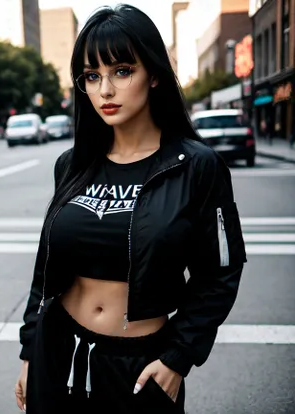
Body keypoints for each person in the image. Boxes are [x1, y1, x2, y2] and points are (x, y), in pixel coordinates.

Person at [13, 5, 246, 414]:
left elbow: (220, 272)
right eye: (91, 76)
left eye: (121, 71)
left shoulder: (196, 166)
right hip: (58, 354)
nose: (104, 90)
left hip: (140, 367)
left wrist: (178, 356)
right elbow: (45, 270)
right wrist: (31, 350)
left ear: (153, 74)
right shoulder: (72, 164)